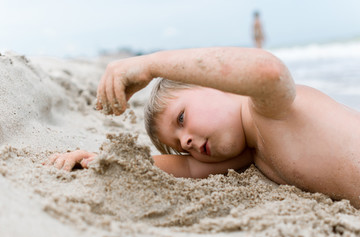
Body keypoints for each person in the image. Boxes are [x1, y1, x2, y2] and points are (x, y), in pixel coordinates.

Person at [44, 47, 360, 208]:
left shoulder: (266, 107)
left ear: (216, 83)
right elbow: (187, 168)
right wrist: (99, 160)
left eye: (181, 118)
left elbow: (269, 71)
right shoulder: (250, 155)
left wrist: (151, 65)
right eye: (181, 142)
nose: (188, 140)